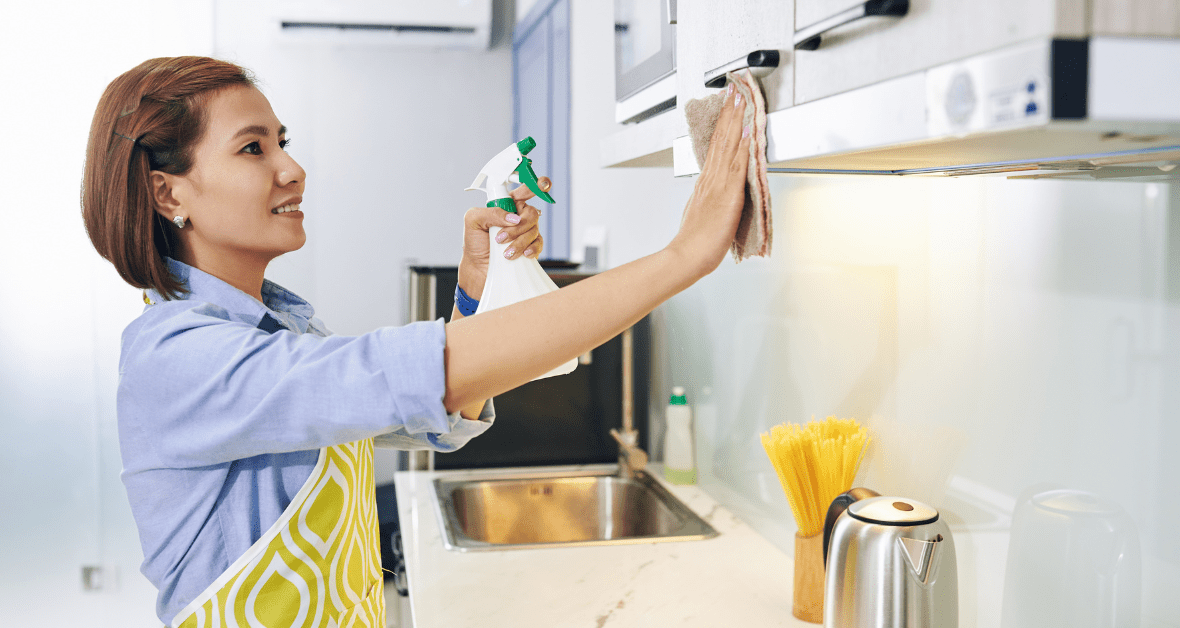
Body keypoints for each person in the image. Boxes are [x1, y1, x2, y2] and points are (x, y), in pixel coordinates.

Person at [82, 56, 748, 627]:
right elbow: (422, 376)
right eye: (254, 148)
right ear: (167, 194)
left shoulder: (277, 328)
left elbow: (424, 409)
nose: (293, 169)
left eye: (283, 142)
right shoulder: (176, 356)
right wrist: (685, 254)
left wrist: (475, 292)